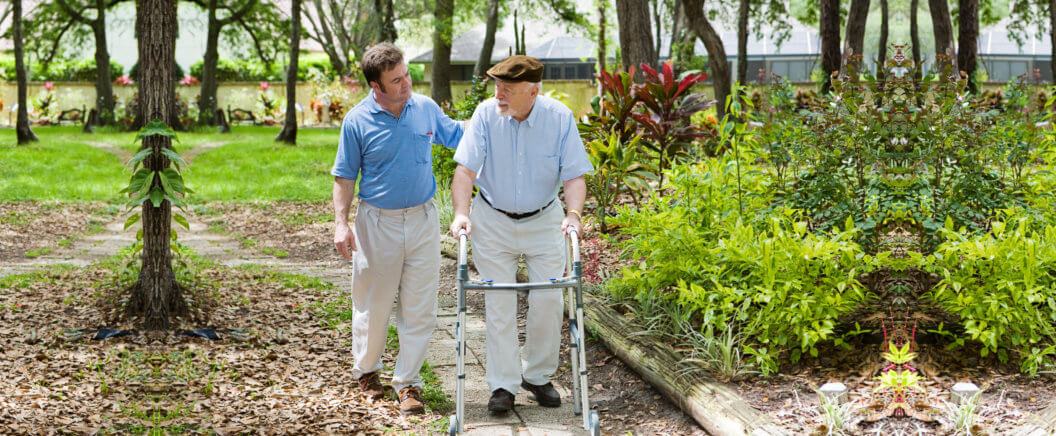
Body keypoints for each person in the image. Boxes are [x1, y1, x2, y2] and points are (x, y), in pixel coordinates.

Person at [448, 55, 593, 415]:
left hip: (544, 218)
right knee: (500, 302)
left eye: (507, 89)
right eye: (496, 86)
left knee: (549, 299)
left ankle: (538, 375)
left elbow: (574, 176)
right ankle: (502, 384)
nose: (498, 94)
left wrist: (574, 215)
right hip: (493, 218)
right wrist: (461, 214)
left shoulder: (558, 117)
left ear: (533, 91)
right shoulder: (485, 115)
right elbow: (464, 172)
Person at [331, 42, 463, 415]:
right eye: (396, 80)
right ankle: (367, 372)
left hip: (423, 219)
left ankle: (408, 383)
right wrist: (341, 224)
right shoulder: (357, 121)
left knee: (420, 307)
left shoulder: (424, 109)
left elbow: (458, 137)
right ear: (377, 86)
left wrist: (495, 121)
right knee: (374, 304)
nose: (406, 84)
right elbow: (344, 177)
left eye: (406, 75)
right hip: (377, 223)